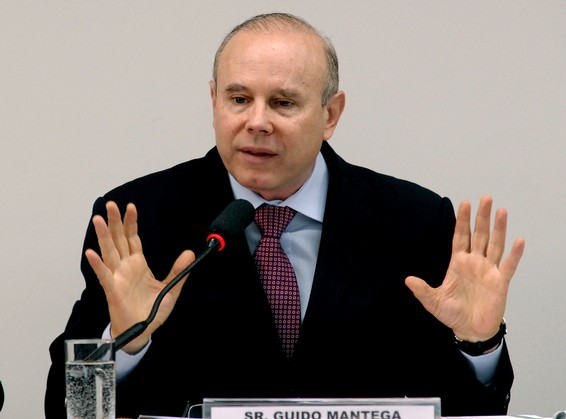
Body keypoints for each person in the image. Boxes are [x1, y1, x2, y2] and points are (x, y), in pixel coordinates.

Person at [45, 12, 525, 418]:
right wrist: (125, 343)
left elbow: (470, 411)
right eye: (238, 99)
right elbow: (67, 407)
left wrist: (478, 347)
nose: (257, 121)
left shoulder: (414, 222)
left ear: (331, 115)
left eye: (283, 102)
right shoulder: (140, 219)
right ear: (213, 101)